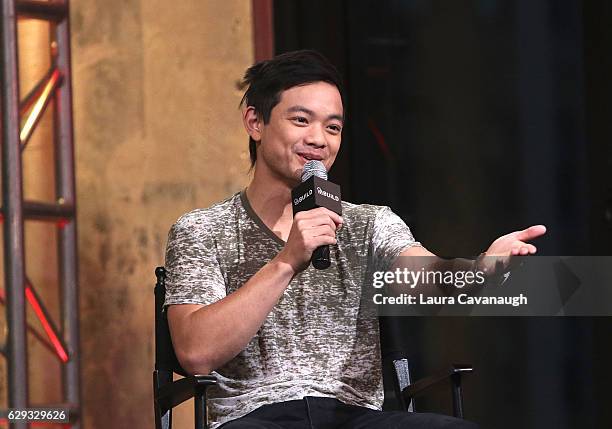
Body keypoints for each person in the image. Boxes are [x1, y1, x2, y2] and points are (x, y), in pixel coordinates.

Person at [164, 50, 546, 429]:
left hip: (353, 416)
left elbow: (425, 278)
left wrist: (479, 270)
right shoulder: (203, 229)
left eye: (333, 128)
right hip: (254, 418)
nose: (318, 140)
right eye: (301, 120)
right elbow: (197, 352)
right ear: (255, 122)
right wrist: (287, 260)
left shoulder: (368, 223)